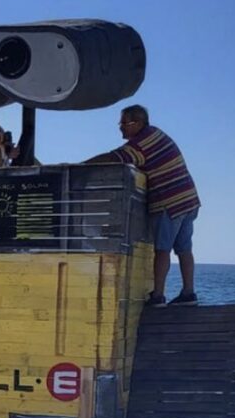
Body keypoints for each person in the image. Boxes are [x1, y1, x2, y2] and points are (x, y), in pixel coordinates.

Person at [85, 104, 200, 308]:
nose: (120, 127)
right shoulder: (156, 134)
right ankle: (188, 292)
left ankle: (158, 295)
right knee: (184, 248)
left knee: (162, 250)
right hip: (188, 198)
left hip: (169, 202)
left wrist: (82, 166)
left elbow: (114, 158)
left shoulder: (140, 145)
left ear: (137, 123)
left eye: (124, 123)